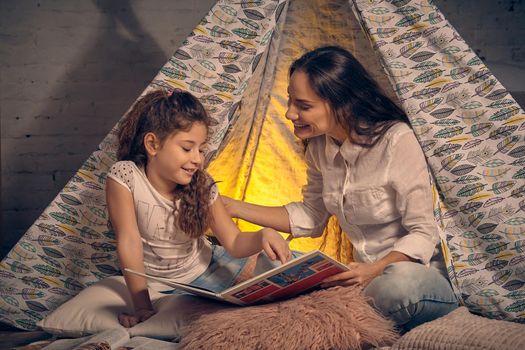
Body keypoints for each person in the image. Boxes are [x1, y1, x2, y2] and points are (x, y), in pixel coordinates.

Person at [223, 46, 459, 331]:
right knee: (272, 264)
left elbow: (424, 232)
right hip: (358, 278)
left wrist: (373, 270)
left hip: (416, 278)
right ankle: (331, 314)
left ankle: (327, 316)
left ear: (343, 103)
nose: (289, 113)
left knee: (395, 286)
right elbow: (311, 217)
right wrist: (233, 206)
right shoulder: (319, 147)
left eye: (303, 105)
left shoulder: (397, 140)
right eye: (290, 101)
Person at [105, 89, 291, 328]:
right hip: (164, 287)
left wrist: (263, 234)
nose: (197, 159)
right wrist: (142, 307)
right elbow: (128, 241)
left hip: (209, 268)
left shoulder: (202, 183)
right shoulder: (126, 176)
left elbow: (233, 242)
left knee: (288, 278)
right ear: (153, 144)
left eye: (201, 149)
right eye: (187, 148)